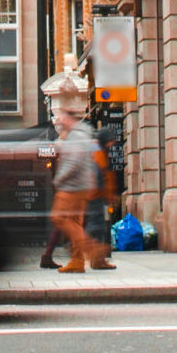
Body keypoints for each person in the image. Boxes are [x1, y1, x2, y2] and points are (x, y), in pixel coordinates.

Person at [49, 102, 113, 274]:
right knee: (75, 222)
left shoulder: (75, 136)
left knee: (59, 218)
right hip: (82, 186)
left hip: (72, 186)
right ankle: (77, 261)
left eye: (62, 116)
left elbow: (73, 161)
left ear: (69, 118)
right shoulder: (81, 134)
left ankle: (93, 250)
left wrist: (58, 179)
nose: (59, 119)